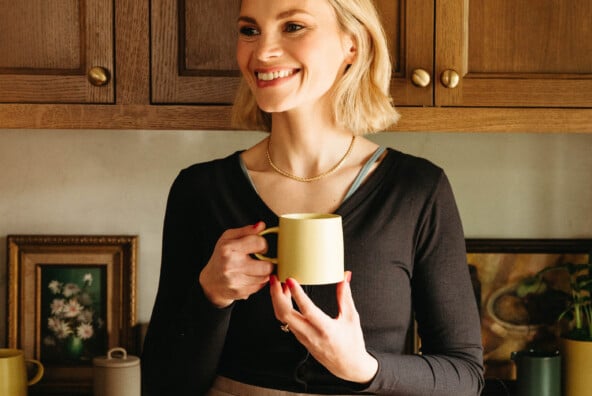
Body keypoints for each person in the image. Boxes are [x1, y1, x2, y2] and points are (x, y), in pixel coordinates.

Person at [141, 0, 484, 395]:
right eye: (249, 31)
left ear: (351, 44)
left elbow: (465, 377)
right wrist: (211, 295)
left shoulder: (417, 189)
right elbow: (162, 384)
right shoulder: (199, 191)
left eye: (293, 27)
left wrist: (363, 368)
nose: (263, 51)